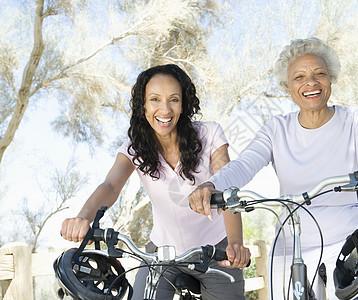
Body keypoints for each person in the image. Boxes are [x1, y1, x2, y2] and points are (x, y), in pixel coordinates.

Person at [188, 37, 358, 299]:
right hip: (292, 242)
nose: (310, 83)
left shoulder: (355, 118)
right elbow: (245, 164)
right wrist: (213, 185)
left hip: (349, 242)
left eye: (319, 74)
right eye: (299, 77)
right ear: (288, 87)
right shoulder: (276, 128)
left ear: (331, 79)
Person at [60, 64, 250, 300]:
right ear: (143, 105)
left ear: (183, 104)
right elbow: (110, 186)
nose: (165, 109)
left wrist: (235, 244)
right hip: (161, 252)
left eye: (173, 99)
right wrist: (84, 217)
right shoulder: (135, 147)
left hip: (216, 250)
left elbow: (227, 187)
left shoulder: (210, 134)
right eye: (155, 99)